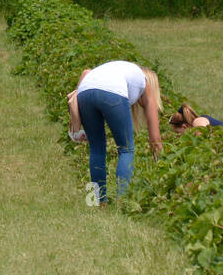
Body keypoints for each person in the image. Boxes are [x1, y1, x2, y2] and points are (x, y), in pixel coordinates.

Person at [69, 61, 164, 204]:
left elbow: (86, 73)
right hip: (112, 91)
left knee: (96, 150)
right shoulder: (145, 85)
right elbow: (155, 138)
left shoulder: (120, 70)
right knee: (126, 149)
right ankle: (122, 201)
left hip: (85, 91)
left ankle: (97, 201)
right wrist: (161, 163)